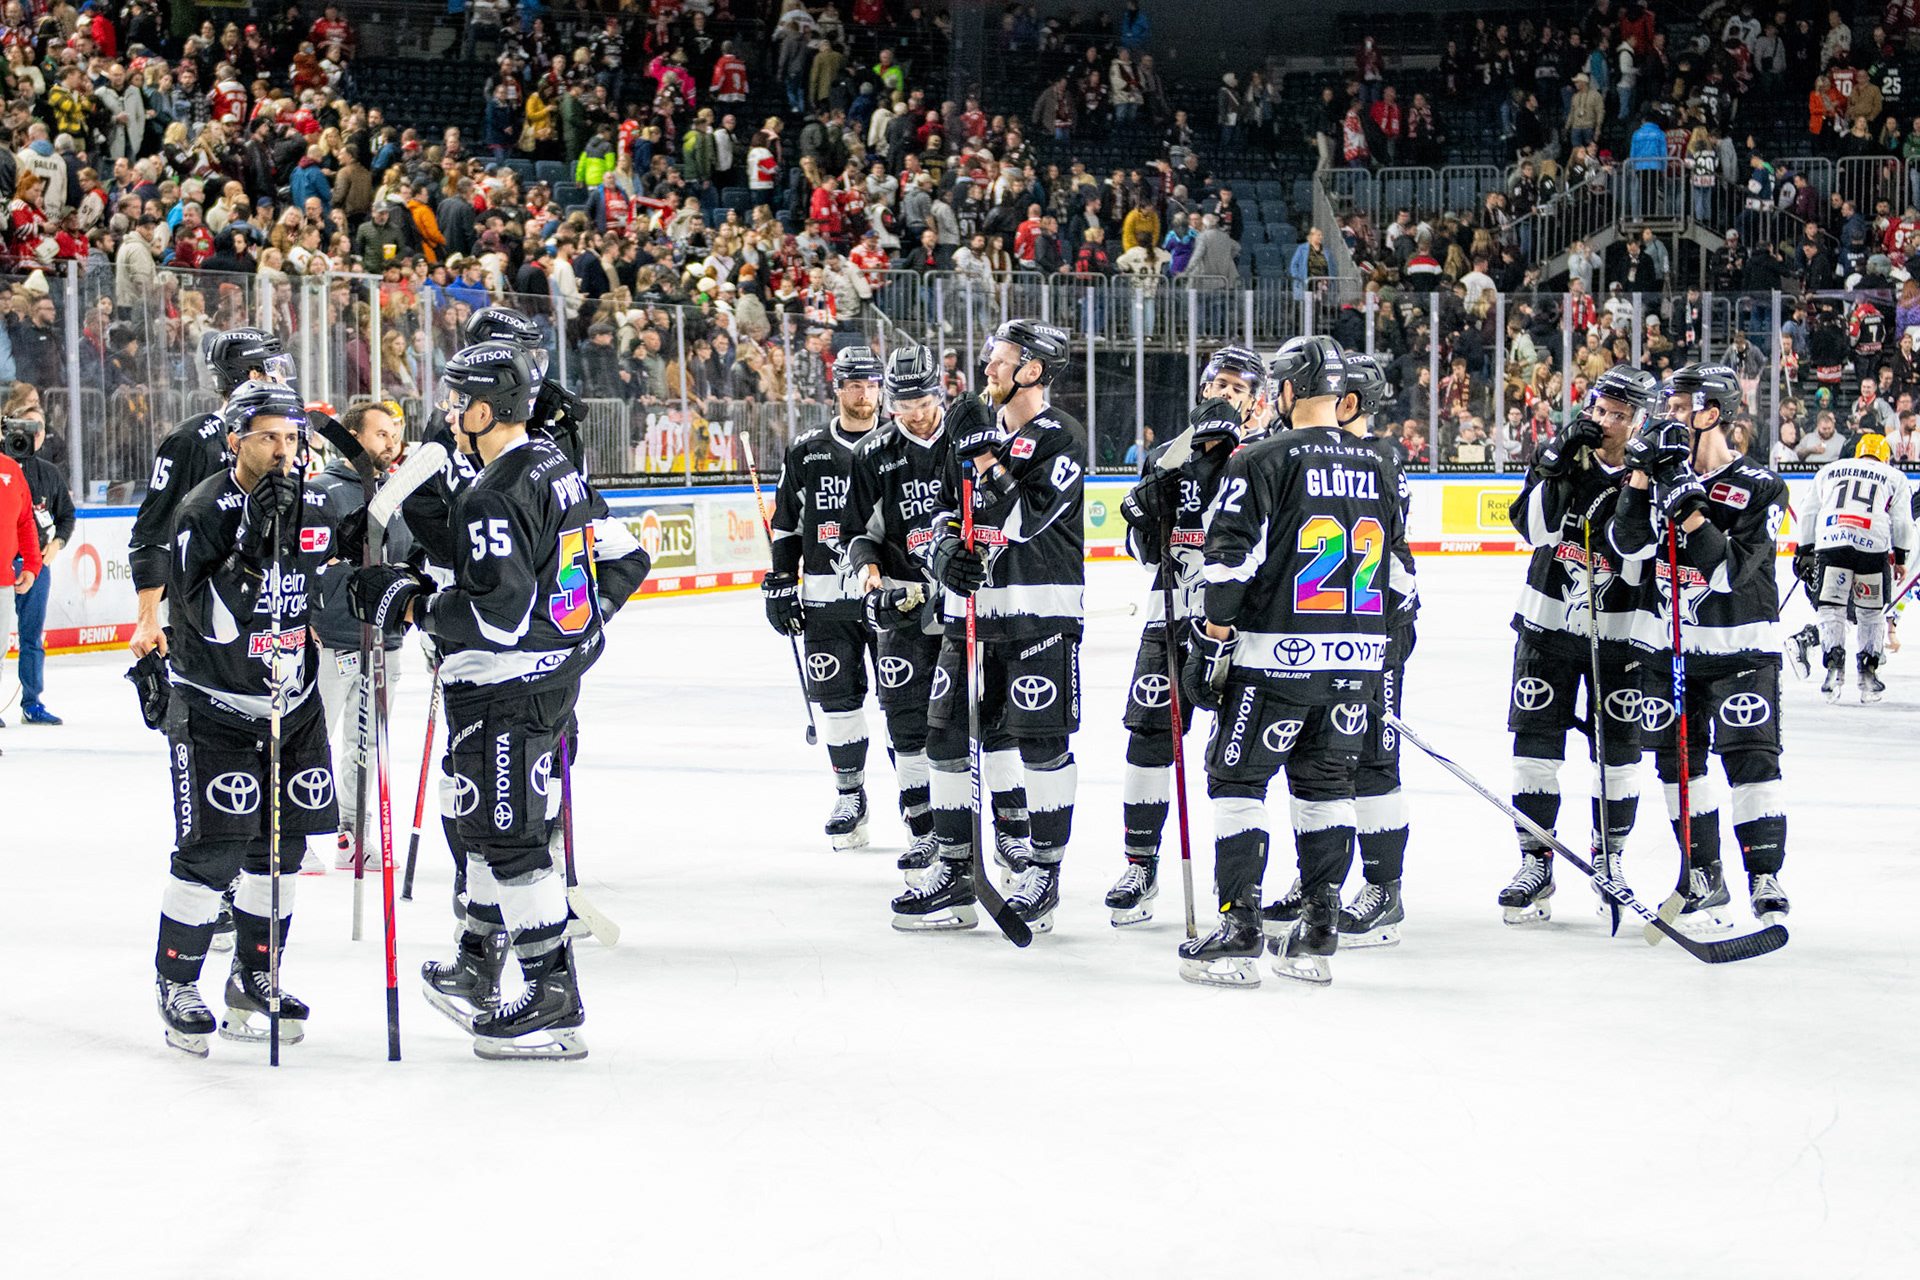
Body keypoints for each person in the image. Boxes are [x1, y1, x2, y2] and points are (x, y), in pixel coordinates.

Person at [348, 342, 604, 1061]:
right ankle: (477, 958)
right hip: (550, 673)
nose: (450, 411)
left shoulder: (497, 490)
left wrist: (413, 601)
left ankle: (553, 1000)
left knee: (513, 841)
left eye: (461, 399)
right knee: (487, 825)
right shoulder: (552, 462)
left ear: (488, 408)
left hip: (508, 684)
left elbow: (497, 615)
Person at [1178, 335, 1413, 988]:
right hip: (1357, 664)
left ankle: (1242, 925)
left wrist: (1212, 640)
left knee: (1236, 781)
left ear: (1286, 391)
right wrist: (1371, 655)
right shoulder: (1378, 465)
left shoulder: (1262, 458)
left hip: (1275, 660)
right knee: (1324, 787)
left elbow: (1229, 564)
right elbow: (1399, 581)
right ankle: (1317, 931)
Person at [150, 380, 342, 1058]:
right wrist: (253, 551)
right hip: (216, 707)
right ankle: (176, 983)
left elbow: (328, 582)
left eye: (292, 438)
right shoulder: (203, 510)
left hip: (294, 708)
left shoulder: (314, 501)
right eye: (267, 437)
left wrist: (372, 599)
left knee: (283, 850)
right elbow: (211, 622)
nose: (283, 451)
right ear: (236, 439)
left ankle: (255, 974)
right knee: (214, 849)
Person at [894, 320, 1086, 933]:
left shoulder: (1063, 436)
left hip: (1039, 614)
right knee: (945, 737)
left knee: (1041, 743)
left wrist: (981, 452)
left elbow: (1025, 518)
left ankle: (1044, 875)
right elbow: (950, 512)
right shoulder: (973, 430)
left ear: (1032, 369)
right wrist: (942, 552)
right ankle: (955, 872)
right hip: (967, 616)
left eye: (999, 361)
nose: (987, 370)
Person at [1608, 364, 1792, 933]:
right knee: (1677, 765)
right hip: (1673, 649)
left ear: (1713, 413)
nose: (1669, 417)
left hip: (1742, 650)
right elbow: (1628, 546)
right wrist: (1641, 478)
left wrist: (1686, 501)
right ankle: (1703, 874)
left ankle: (1764, 873)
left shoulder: (1761, 486)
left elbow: (1726, 573)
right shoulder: (1663, 474)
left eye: (1682, 407)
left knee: (1751, 759)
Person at [1105, 346, 1266, 927]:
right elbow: (1144, 552)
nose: (1224, 393)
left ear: (1257, 402)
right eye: (1216, 383)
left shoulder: (1264, 456)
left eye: (1237, 387)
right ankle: (1140, 864)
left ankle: (1246, 887)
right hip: (1169, 615)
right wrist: (1145, 520)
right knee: (1149, 732)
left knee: (1242, 752)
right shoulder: (1166, 454)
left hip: (1242, 625)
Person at [1495, 366, 1658, 926]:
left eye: (1619, 414)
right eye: (1599, 409)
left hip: (1619, 637)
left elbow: (1641, 551)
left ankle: (1608, 859)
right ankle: (1534, 861)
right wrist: (1555, 466)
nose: (1605, 422)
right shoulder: (1565, 455)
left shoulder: (1652, 473)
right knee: (1534, 751)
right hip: (1546, 626)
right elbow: (1534, 529)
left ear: (1640, 421)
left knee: (1617, 756)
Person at [764, 347, 888, 848]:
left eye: (872, 384)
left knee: (906, 703)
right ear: (836, 388)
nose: (864, 394)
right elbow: (786, 523)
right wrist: (779, 582)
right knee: (836, 702)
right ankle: (850, 795)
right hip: (823, 598)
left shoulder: (898, 443)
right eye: (854, 385)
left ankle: (916, 799)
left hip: (888, 596)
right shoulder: (808, 449)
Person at [1321, 353, 1419, 946]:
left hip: (1376, 627)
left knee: (1374, 760)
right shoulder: (1314, 452)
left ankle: (1384, 889)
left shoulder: (1377, 458)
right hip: (1325, 631)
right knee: (1324, 761)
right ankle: (1322, 884)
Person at [842, 345, 950, 878]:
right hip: (902, 609)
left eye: (925, 399)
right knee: (905, 721)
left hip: (964, 607)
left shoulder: (968, 441)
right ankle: (923, 830)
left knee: (981, 722)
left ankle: (1002, 831)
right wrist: (874, 579)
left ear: (942, 390)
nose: (917, 412)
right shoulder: (873, 453)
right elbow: (858, 535)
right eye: (904, 402)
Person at [127, 331, 296, 663]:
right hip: (202, 603)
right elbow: (153, 532)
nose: (285, 378)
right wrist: (147, 619)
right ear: (253, 376)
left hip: (264, 602)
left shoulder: (285, 439)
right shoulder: (191, 441)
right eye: (275, 367)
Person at [308, 400, 410, 871]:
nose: (390, 443)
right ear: (350, 436)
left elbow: (412, 560)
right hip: (329, 640)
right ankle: (297, 834)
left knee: (365, 743)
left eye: (393, 434)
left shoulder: (398, 492)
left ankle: (352, 832)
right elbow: (299, 569)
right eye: (380, 434)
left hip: (384, 641)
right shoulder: (322, 493)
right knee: (310, 741)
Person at [1789, 432, 1916, 702]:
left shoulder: (1831, 469)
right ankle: (1868, 672)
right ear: (1885, 456)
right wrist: (1902, 557)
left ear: (1858, 452)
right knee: (1870, 611)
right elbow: (1903, 521)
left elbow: (1809, 510)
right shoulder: (1894, 476)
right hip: (1872, 545)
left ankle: (1834, 667)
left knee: (1832, 608)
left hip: (1832, 542)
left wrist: (1804, 550)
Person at [7, 407, 72, 726]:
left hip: (36, 565)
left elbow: (67, 516)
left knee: (31, 636)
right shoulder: (5, 469)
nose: (27, 436)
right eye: (21, 429)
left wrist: (56, 544)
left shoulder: (49, 472)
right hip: (6, 562)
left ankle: (32, 701)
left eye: (36, 429)